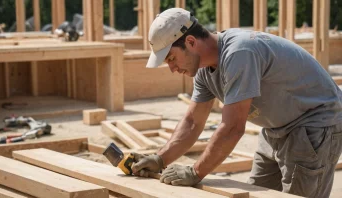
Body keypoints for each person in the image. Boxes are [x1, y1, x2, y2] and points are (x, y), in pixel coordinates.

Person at [131, 8, 342, 197]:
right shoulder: (205, 72)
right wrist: (159, 159)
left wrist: (195, 171)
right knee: (257, 192)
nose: (172, 69)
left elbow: (233, 127)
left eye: (171, 59)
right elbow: (192, 122)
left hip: (314, 124)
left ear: (191, 42)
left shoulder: (239, 53)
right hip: (275, 129)